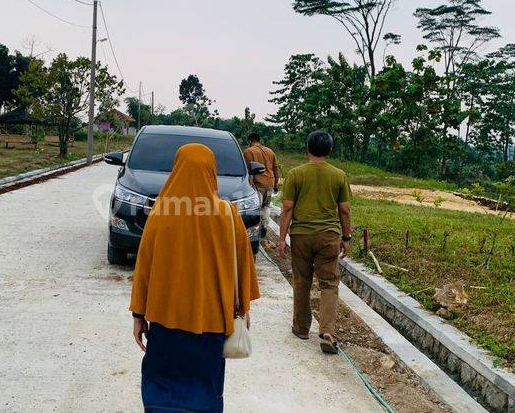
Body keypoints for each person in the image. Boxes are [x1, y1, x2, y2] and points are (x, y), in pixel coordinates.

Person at [130, 143, 260, 412]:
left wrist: (138, 315)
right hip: (211, 322)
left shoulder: (162, 213)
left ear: (176, 170)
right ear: (212, 173)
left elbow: (144, 269)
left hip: (166, 320)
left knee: (162, 386)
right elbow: (242, 266)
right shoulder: (227, 215)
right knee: (205, 387)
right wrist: (243, 309)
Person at [277, 130, 352, 354]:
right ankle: (328, 332)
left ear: (307, 149)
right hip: (328, 236)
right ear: (329, 150)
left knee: (302, 281)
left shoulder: (296, 174)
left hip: (301, 235)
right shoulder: (339, 175)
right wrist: (346, 237)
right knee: (329, 283)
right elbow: (344, 210)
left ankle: (301, 328)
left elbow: (287, 208)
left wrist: (282, 239)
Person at [243, 133, 280, 237]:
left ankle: (254, 231)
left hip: (257, 184)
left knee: (256, 208)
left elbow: (248, 170)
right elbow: (275, 169)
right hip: (269, 183)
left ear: (250, 141)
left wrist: (249, 186)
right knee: (266, 206)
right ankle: (264, 226)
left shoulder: (249, 151)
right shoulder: (270, 151)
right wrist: (276, 184)